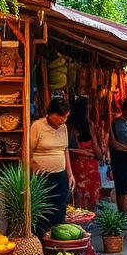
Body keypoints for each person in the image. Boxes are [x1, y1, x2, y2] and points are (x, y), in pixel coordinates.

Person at [28, 96, 73, 229]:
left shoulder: (63, 127)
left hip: (60, 176)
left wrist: (70, 174)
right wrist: (35, 169)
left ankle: (56, 242)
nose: (64, 120)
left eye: (66, 117)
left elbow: (65, 150)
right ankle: (42, 243)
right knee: (43, 213)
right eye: (61, 117)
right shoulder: (37, 126)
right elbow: (28, 152)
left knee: (59, 211)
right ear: (52, 114)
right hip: (42, 177)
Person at [66, 96, 103, 210]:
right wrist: (88, 153)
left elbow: (99, 155)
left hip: (90, 170)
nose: (90, 109)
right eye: (87, 107)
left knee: (88, 197)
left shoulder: (91, 126)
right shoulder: (70, 127)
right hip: (79, 168)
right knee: (80, 196)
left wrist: (93, 136)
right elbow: (67, 148)